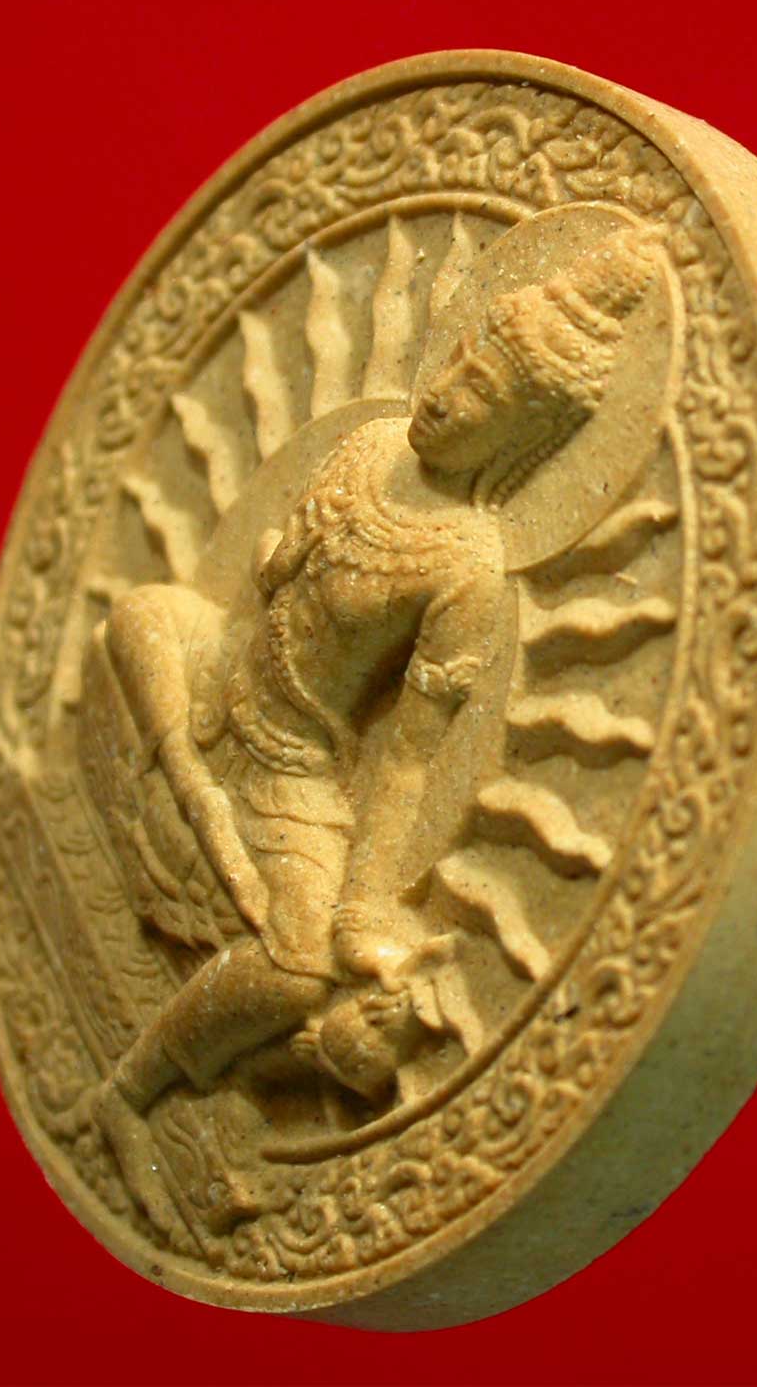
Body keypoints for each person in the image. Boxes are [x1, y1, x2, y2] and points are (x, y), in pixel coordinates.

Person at [91, 227, 659, 1233]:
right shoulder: (369, 444)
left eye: (484, 393)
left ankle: (130, 1095)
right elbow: (268, 581)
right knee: (135, 616)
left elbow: (406, 758)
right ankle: (176, 771)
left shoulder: (465, 566)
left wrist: (362, 908)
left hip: (291, 764)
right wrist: (273, 569)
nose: (447, 392)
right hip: (213, 666)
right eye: (460, 361)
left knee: (298, 965)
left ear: (521, 434)